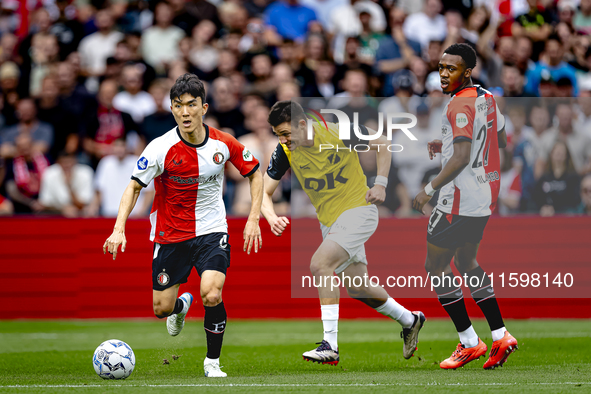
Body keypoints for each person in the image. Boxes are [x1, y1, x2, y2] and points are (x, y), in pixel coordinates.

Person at [102, 73, 263, 378]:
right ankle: (179, 306)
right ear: (172, 109)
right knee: (161, 308)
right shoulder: (160, 148)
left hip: (212, 230)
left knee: (212, 293)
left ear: (204, 107)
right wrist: (118, 228)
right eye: (178, 106)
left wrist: (253, 219)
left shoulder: (223, 142)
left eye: (191, 105)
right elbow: (134, 186)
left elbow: (255, 172)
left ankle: (212, 362)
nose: (185, 112)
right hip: (170, 235)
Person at [262, 100, 425, 366]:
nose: (283, 140)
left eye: (286, 133)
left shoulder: (337, 132)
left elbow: (382, 143)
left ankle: (330, 345)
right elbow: (264, 192)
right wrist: (270, 216)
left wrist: (381, 184)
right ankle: (410, 320)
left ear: (302, 124)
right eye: (278, 135)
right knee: (358, 287)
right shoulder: (284, 151)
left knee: (320, 264)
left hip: (359, 210)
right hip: (330, 223)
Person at [412, 43, 518, 370]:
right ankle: (500, 335)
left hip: (455, 200)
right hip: (482, 198)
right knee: (467, 261)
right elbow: (498, 143)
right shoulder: (487, 98)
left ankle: (469, 341)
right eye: (441, 67)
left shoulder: (459, 105)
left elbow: (459, 157)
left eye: (451, 69)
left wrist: (428, 189)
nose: (443, 74)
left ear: (467, 71)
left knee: (435, 267)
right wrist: (445, 144)